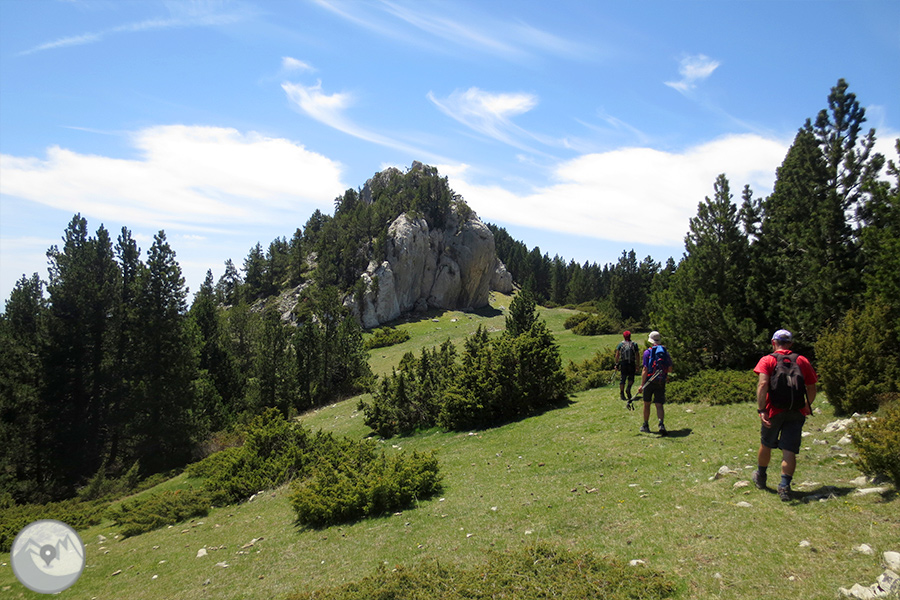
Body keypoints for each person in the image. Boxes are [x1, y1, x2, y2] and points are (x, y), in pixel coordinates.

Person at [752, 329, 818, 501]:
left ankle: (761, 476)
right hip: (796, 410)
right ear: (790, 344)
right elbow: (812, 386)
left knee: (766, 443)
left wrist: (762, 409)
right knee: (789, 450)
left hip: (774, 410)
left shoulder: (767, 360)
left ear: (774, 342)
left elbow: (763, 384)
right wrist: (806, 405)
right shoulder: (802, 360)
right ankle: (784, 485)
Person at [638, 331, 673, 435]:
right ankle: (661, 424)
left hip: (649, 381)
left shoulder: (647, 352)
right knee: (659, 404)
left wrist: (642, 384)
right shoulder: (664, 352)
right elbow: (670, 369)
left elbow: (645, 369)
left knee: (647, 404)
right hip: (660, 381)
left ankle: (645, 425)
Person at [614, 331, 639, 401]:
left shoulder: (620, 344)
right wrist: (637, 364)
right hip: (631, 363)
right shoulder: (634, 344)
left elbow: (617, 355)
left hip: (623, 363)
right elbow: (637, 355)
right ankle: (628, 388)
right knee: (631, 378)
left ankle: (622, 393)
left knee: (623, 378)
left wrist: (616, 364)